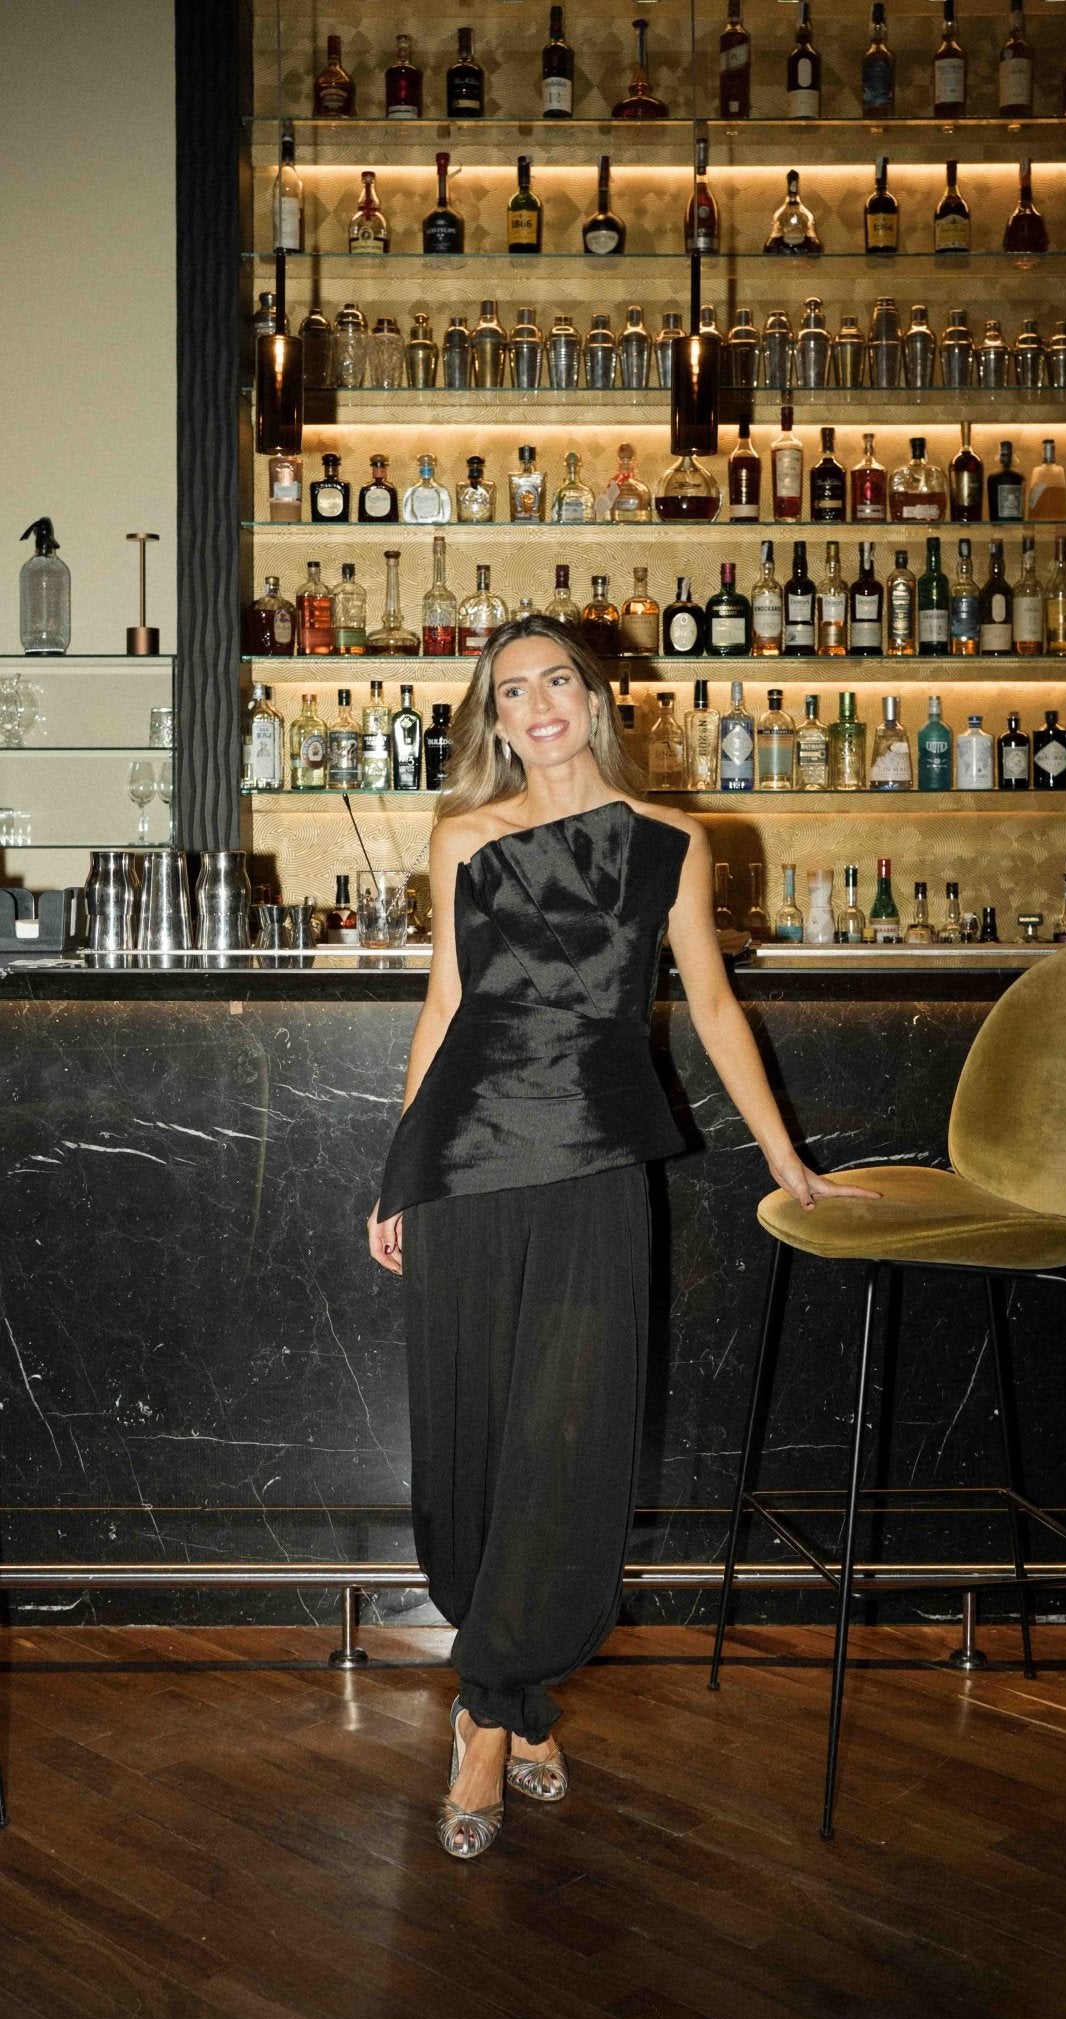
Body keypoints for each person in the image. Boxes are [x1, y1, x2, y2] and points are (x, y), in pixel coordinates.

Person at [367, 616, 881, 1860]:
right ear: (494, 721)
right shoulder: (463, 835)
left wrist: (784, 1153)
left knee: (568, 1432)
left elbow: (713, 1002)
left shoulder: (673, 842)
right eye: (511, 691)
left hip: (597, 1160)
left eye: (557, 680)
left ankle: (486, 1715)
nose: (537, 704)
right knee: (474, 1428)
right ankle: (514, 1699)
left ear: (598, 700)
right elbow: (443, 1007)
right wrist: (393, 1176)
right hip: (463, 1163)